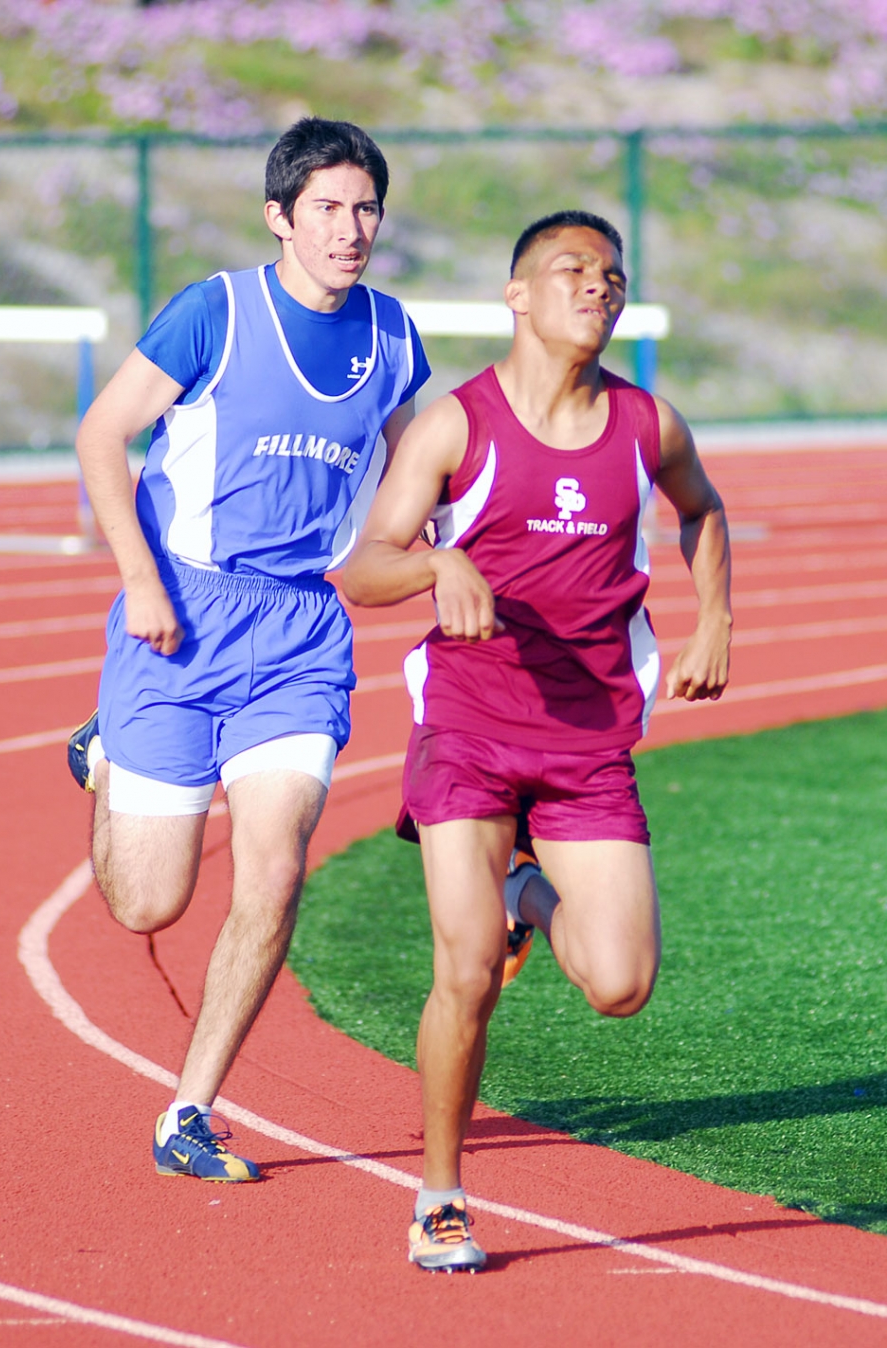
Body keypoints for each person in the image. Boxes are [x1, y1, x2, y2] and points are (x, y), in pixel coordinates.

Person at [342, 209, 732, 1271]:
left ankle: (525, 889)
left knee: (619, 981)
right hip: (467, 730)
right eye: (570, 270)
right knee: (464, 972)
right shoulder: (457, 427)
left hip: (585, 746)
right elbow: (367, 566)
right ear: (516, 295)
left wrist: (715, 616)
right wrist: (436, 565)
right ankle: (438, 1198)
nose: (595, 287)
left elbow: (701, 510)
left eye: (610, 274)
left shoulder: (648, 426)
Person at [66, 117, 432, 1183]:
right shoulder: (213, 312)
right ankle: (105, 754)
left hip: (299, 635)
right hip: (178, 615)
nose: (349, 228)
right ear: (279, 218)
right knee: (148, 903)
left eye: (365, 208)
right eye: (326, 207)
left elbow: (425, 477)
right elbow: (101, 434)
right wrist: (138, 577)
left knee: (272, 874)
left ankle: (189, 1108)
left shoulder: (392, 336)